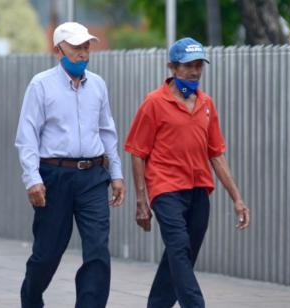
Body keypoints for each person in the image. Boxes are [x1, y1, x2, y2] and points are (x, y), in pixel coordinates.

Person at [124, 37, 250, 308]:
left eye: (198, 66)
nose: (194, 71)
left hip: (199, 189)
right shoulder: (154, 102)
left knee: (181, 254)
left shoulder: (206, 104)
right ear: (172, 67)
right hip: (165, 188)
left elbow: (216, 154)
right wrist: (141, 201)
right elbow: (137, 152)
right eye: (187, 66)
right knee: (179, 246)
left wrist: (237, 198)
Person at [15, 22, 126, 308]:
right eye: (76, 47)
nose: (83, 53)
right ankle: (30, 296)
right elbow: (27, 136)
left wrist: (116, 174)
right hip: (54, 177)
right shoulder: (41, 85)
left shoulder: (98, 85)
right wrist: (32, 179)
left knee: (98, 250)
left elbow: (107, 132)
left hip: (92, 176)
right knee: (48, 252)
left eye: (87, 46)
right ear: (58, 50)